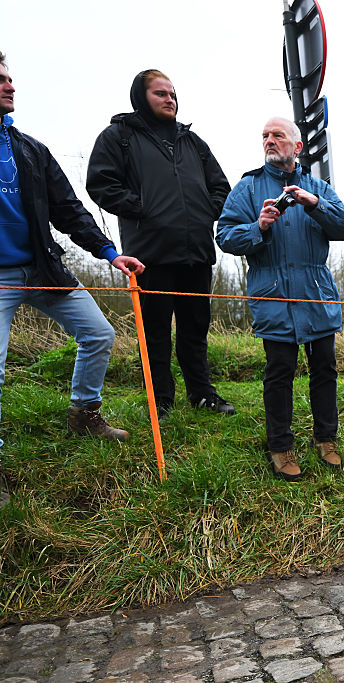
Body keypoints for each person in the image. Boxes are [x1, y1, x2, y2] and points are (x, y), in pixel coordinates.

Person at [0, 52, 145, 450]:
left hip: (42, 269)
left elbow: (68, 209)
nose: (10, 86)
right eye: (1, 79)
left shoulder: (30, 150)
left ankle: (84, 416)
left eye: (10, 78)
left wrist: (109, 252)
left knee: (98, 333)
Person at [87, 69, 234, 421]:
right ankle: (161, 401)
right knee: (154, 332)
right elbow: (101, 183)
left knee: (195, 329)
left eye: (172, 93)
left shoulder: (192, 142)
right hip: (148, 253)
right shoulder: (118, 137)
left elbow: (221, 187)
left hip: (196, 251)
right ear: (141, 97)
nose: (170, 99)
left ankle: (201, 393)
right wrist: (144, 208)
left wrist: (202, 214)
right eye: (160, 93)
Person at [216, 117, 344, 481]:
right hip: (272, 293)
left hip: (316, 292)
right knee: (279, 372)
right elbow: (225, 236)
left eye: (277, 135)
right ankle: (280, 446)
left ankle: (327, 439)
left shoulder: (318, 186)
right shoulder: (247, 188)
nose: (269, 140)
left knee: (324, 368)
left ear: (297, 147)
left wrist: (315, 204)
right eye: (264, 135)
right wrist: (258, 227)